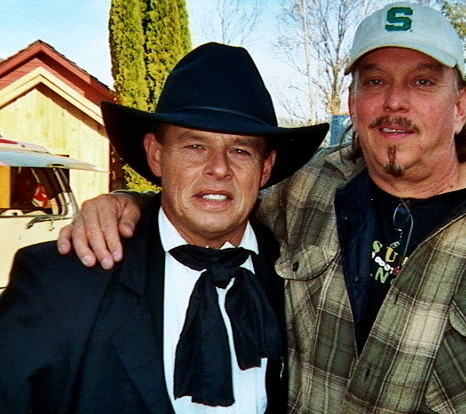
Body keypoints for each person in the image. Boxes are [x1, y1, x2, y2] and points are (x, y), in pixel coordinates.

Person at [57, 2, 466, 413]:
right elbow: (212, 203)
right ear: (352, 101)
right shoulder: (305, 191)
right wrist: (126, 204)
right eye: (375, 81)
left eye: (423, 81)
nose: (395, 102)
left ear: (460, 103)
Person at [0, 42, 328, 413]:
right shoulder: (60, 281)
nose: (218, 169)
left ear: (265, 168)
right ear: (157, 155)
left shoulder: (293, 274)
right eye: (194, 146)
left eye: (240, 150)